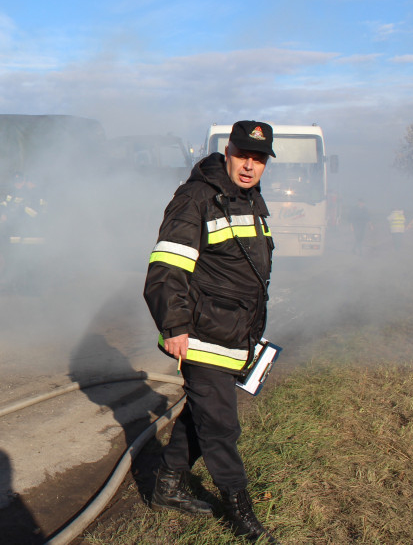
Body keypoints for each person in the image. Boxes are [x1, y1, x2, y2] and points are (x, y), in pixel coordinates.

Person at [143, 120, 279, 543]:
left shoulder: (252, 200)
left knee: (202, 414)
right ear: (227, 153)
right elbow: (166, 268)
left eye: (258, 159)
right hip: (200, 334)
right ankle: (242, 514)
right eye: (243, 156)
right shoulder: (197, 198)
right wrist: (175, 326)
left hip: (234, 333)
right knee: (221, 425)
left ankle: (168, 484)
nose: (249, 166)